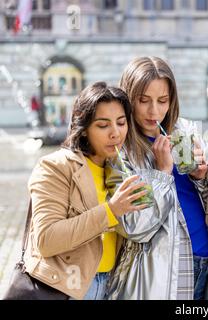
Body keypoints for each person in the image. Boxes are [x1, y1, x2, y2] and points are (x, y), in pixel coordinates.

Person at [23, 82, 147, 300]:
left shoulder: (118, 168)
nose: (115, 133)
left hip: (111, 284)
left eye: (121, 122)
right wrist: (111, 211)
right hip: (68, 288)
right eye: (102, 125)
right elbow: (46, 239)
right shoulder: (55, 166)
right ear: (84, 126)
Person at [105, 56, 208, 300]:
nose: (154, 111)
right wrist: (162, 173)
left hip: (205, 260)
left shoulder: (184, 133)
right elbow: (134, 227)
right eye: (144, 101)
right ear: (128, 100)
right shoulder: (120, 151)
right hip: (162, 272)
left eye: (162, 100)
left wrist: (200, 176)